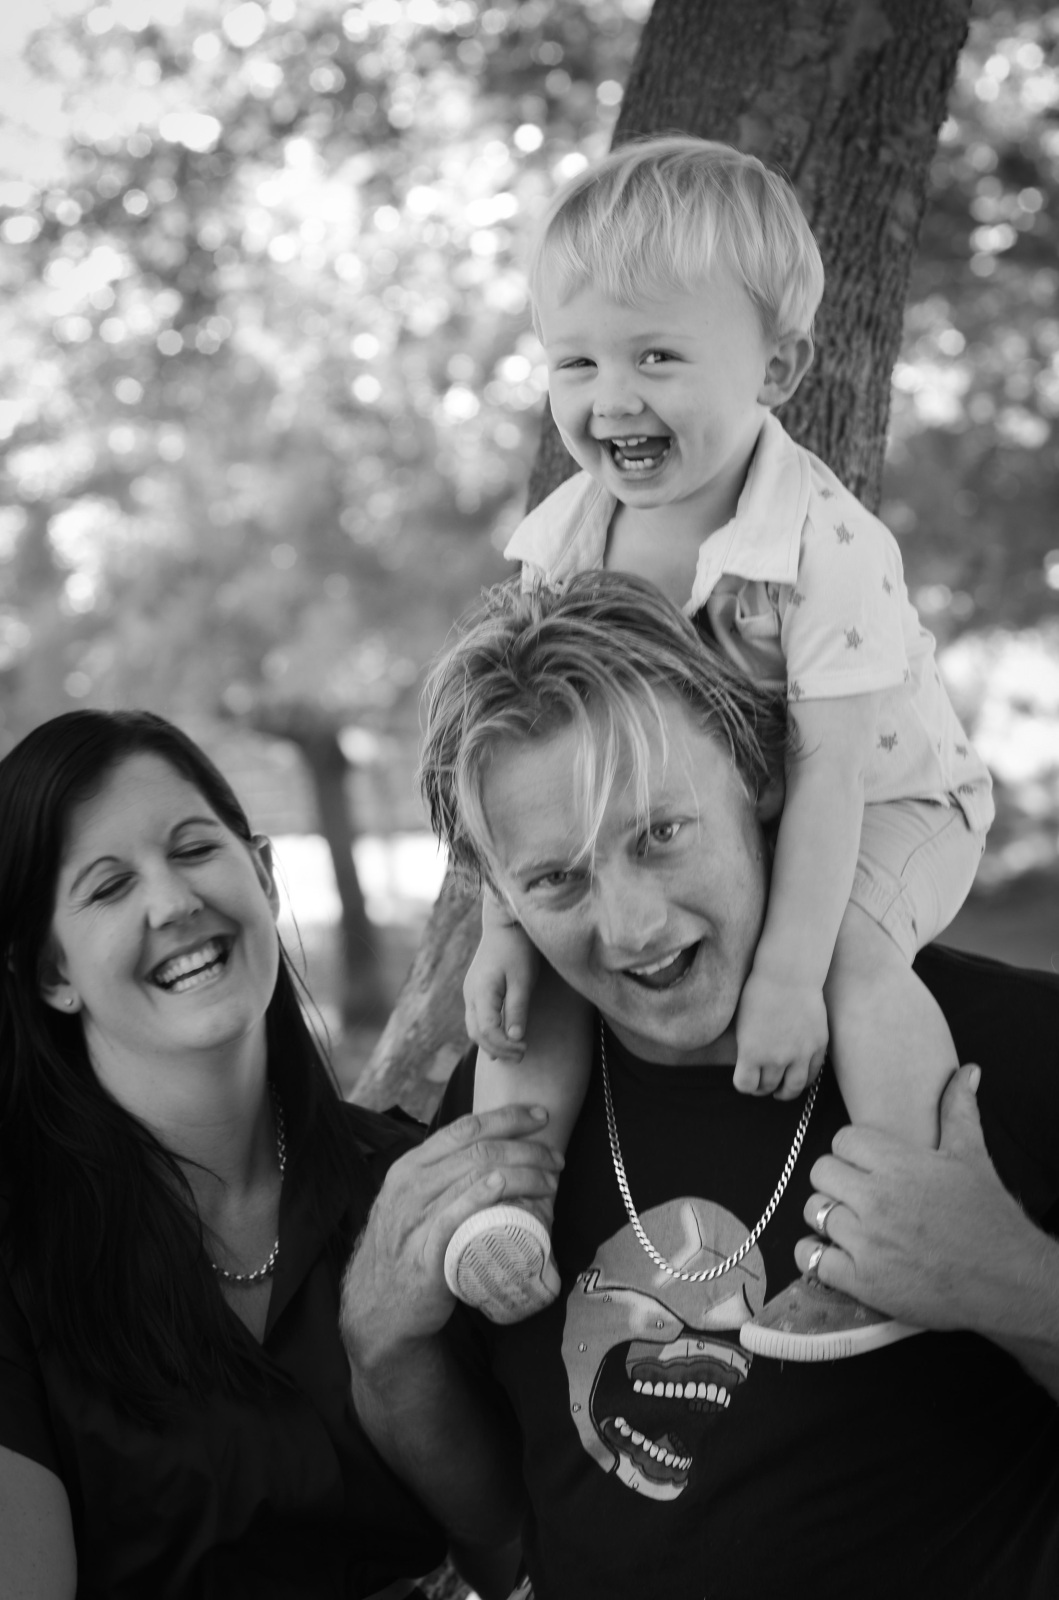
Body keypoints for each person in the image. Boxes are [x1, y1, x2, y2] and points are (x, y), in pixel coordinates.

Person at [341, 572, 1059, 1599]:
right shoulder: (508, 1119)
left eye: (659, 835)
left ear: (757, 778)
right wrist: (380, 1340)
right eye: (558, 879)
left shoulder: (1005, 1051)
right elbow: (494, 1529)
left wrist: (1014, 1281)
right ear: (499, 895)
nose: (631, 926)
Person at [449, 137, 994, 1359]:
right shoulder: (566, 545)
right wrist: (501, 927)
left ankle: (895, 1239)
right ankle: (507, 1198)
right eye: (577, 361)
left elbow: (834, 771)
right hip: (741, 807)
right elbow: (524, 754)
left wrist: (787, 976)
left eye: (656, 357)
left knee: (858, 959)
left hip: (895, 802)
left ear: (778, 367)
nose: (611, 399)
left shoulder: (824, 546)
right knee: (551, 964)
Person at [0, 708, 557, 1599]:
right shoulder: (18, 1252)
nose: (173, 902)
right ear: (52, 972)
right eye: (108, 888)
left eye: (193, 849)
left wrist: (388, 1349)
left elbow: (506, 1555)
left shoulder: (401, 1187)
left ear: (262, 874)